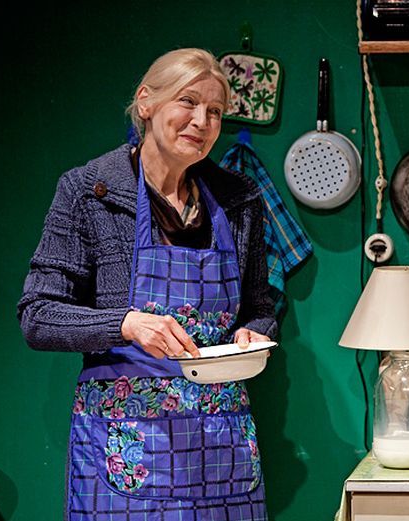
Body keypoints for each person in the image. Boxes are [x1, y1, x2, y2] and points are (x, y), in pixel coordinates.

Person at [17, 48, 277, 520]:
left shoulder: (238, 199)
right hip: (127, 449)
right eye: (188, 102)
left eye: (215, 111)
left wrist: (255, 332)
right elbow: (38, 315)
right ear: (146, 102)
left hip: (222, 448)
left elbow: (260, 305)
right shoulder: (89, 192)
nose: (201, 121)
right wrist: (126, 324)